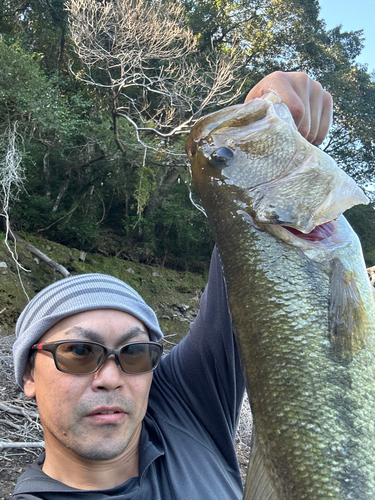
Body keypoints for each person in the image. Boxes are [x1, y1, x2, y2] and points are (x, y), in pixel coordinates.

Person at [12, 71, 332, 499]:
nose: (111, 377)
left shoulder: (186, 405)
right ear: (29, 374)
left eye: (136, 353)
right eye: (79, 352)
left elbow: (253, 254)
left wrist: (260, 122)